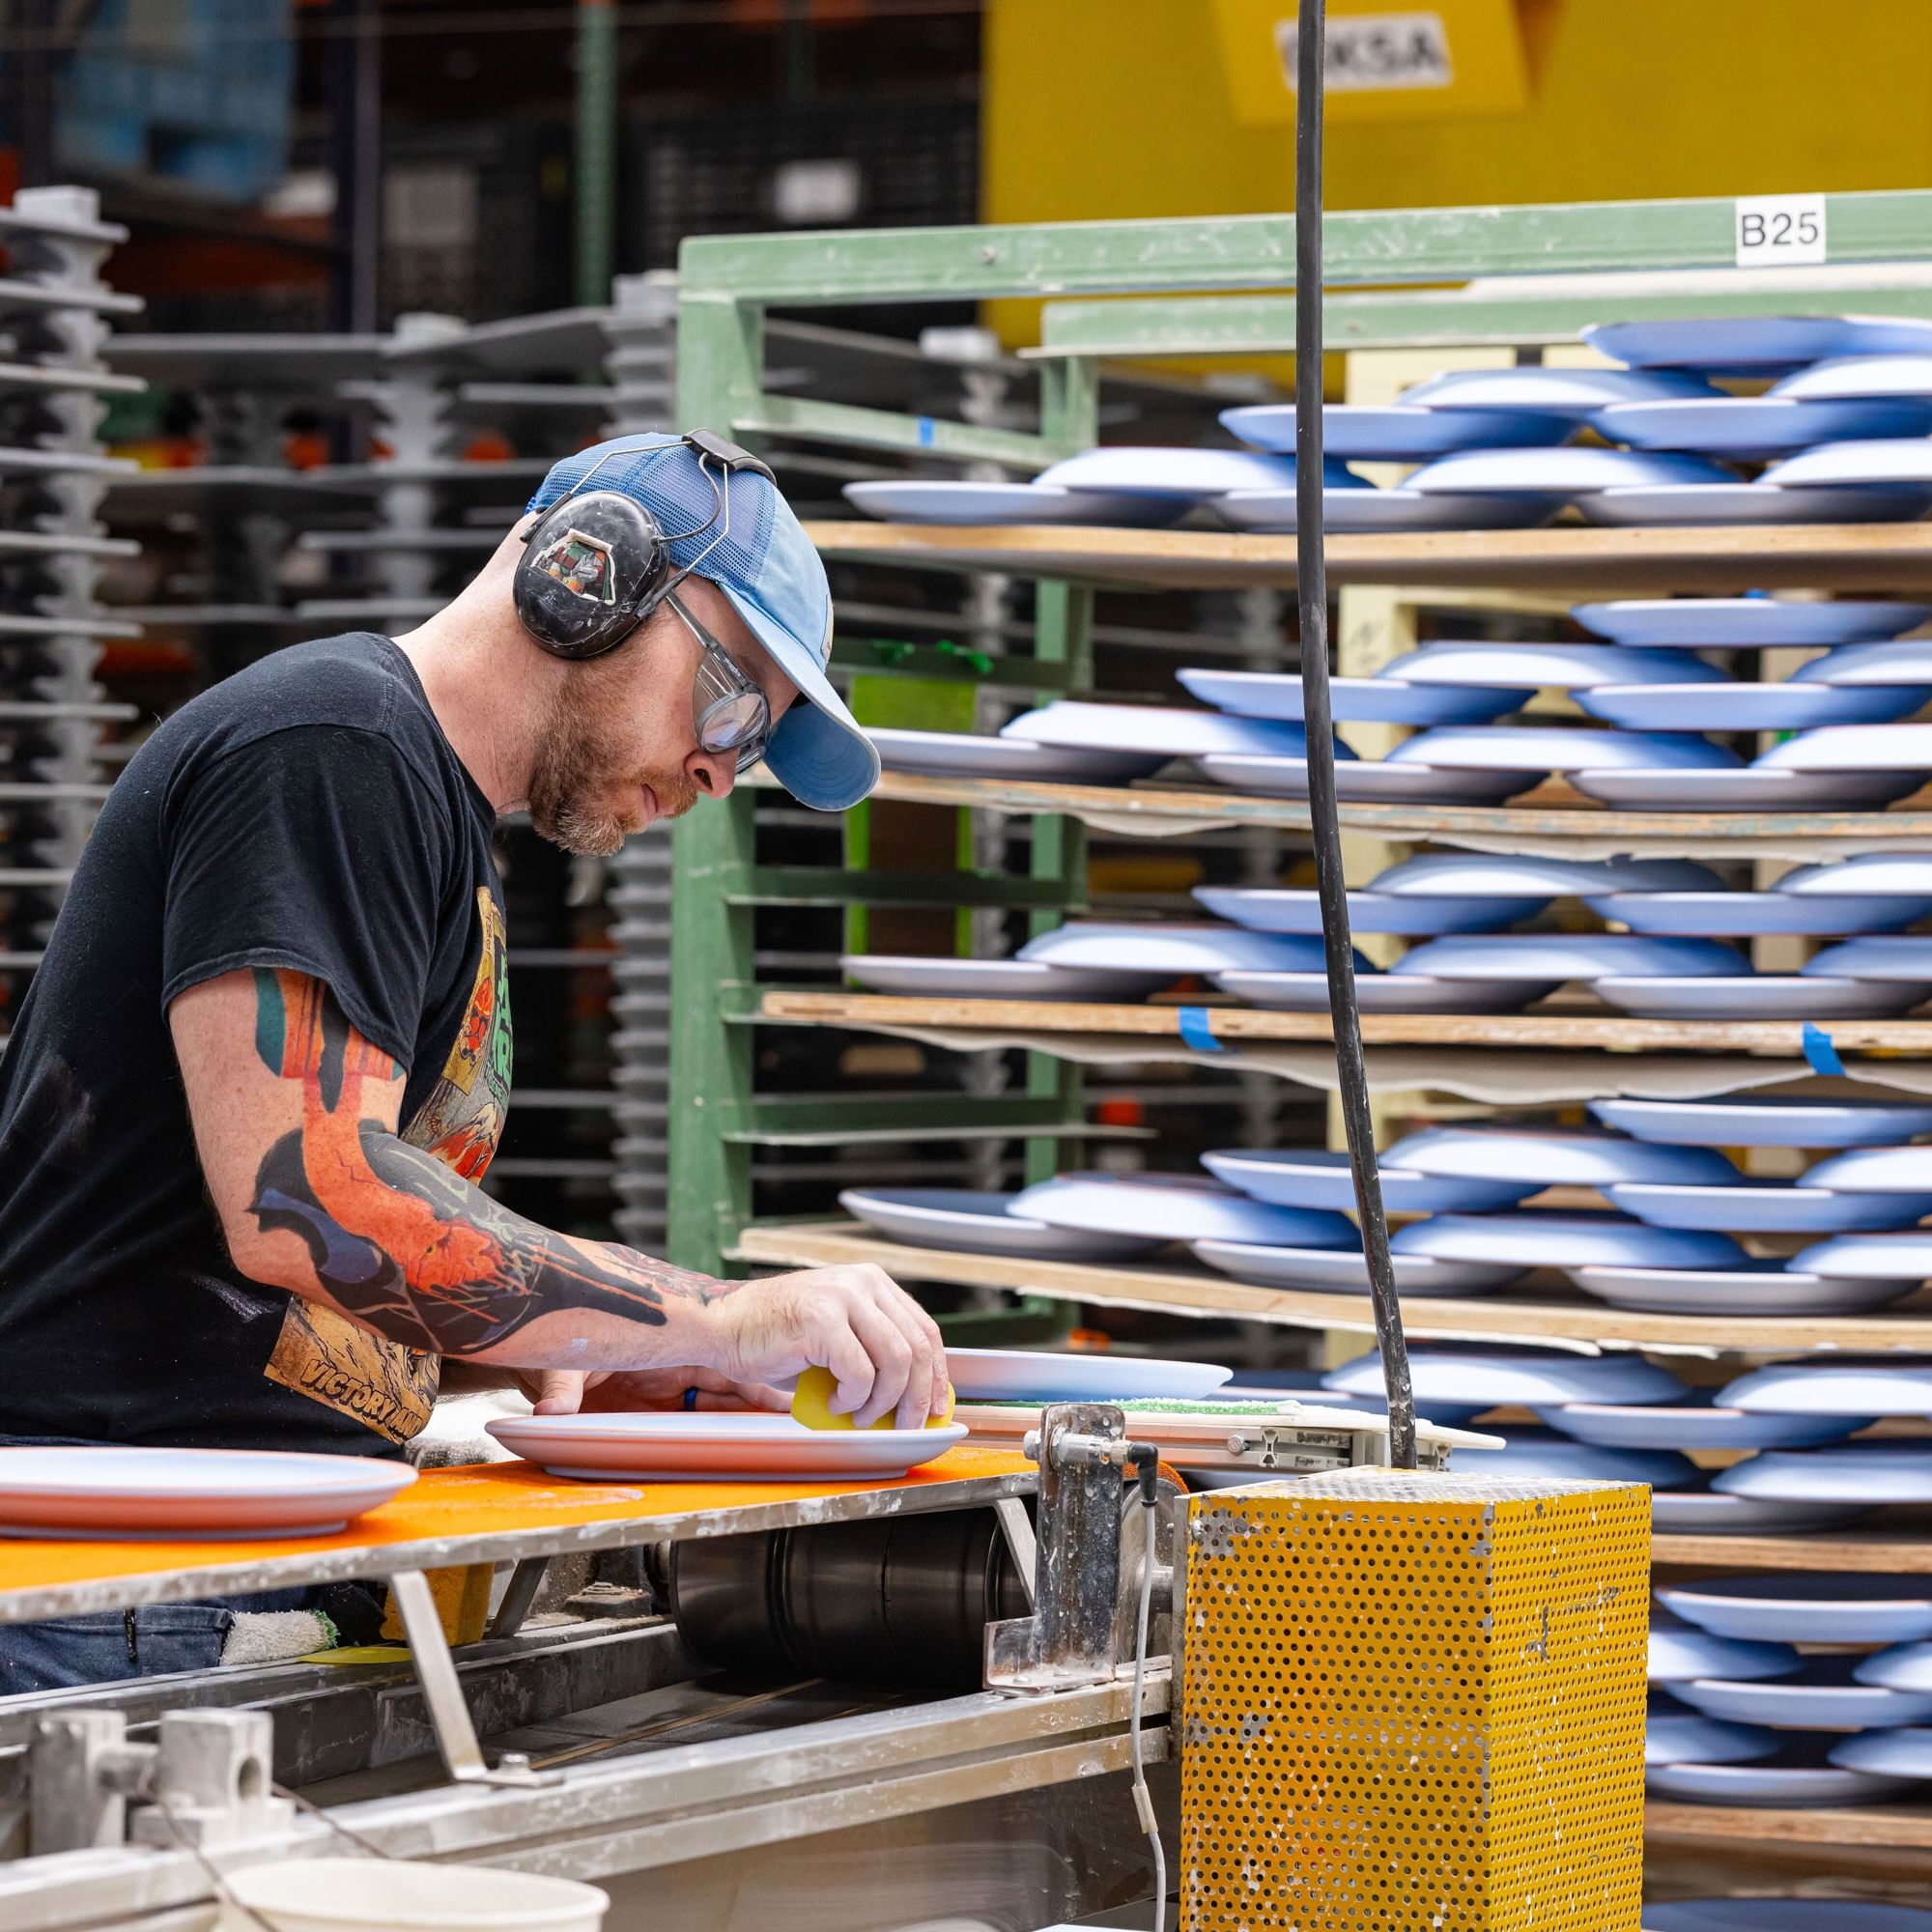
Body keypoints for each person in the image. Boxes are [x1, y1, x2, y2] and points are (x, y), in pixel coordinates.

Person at [0, 433, 949, 1691]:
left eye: (756, 746)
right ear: (586, 573)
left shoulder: (424, 812)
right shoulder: (332, 749)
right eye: (729, 701)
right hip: (106, 1582)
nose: (721, 767)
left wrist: (572, 1334)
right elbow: (307, 1194)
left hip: (200, 1563)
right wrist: (712, 1321)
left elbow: (235, 1245)